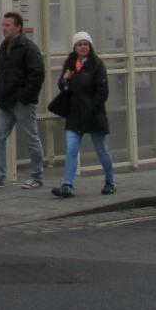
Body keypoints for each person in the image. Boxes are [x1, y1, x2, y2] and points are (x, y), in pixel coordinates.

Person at [0, 11, 46, 189]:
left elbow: (37, 74)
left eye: (8, 25)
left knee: (31, 138)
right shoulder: (5, 46)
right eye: (3, 25)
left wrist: (25, 96)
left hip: (22, 101)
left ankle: (36, 176)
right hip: (6, 101)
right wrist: (1, 93)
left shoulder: (29, 48)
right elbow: (0, 69)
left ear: (18, 27)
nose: (4, 28)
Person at [51, 31, 116, 198]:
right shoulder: (71, 63)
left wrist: (92, 107)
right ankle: (67, 185)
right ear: (74, 47)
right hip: (75, 114)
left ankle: (110, 181)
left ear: (90, 46)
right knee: (71, 149)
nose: (83, 47)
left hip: (93, 114)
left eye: (85, 44)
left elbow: (103, 92)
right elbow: (63, 87)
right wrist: (65, 79)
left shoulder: (97, 65)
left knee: (101, 149)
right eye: (79, 44)